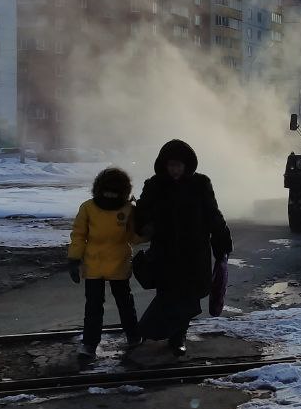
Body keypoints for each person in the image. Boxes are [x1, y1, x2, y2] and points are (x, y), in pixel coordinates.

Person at [130, 139, 232, 358]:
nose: (174, 170)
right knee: (167, 294)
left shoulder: (200, 184)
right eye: (170, 165)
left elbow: (213, 214)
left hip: (194, 252)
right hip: (165, 252)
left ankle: (178, 337)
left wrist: (221, 240)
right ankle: (163, 332)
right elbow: (142, 214)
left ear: (186, 165)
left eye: (178, 165)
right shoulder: (155, 185)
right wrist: (143, 221)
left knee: (188, 297)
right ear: (164, 166)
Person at [68, 167, 140, 367]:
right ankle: (89, 345)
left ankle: (134, 338)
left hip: (118, 263)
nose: (109, 195)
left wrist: (146, 226)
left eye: (114, 192)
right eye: (106, 190)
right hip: (94, 265)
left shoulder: (128, 210)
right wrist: (74, 259)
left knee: (125, 304)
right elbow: (79, 235)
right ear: (99, 189)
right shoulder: (88, 208)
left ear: (123, 192)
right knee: (93, 307)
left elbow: (133, 237)